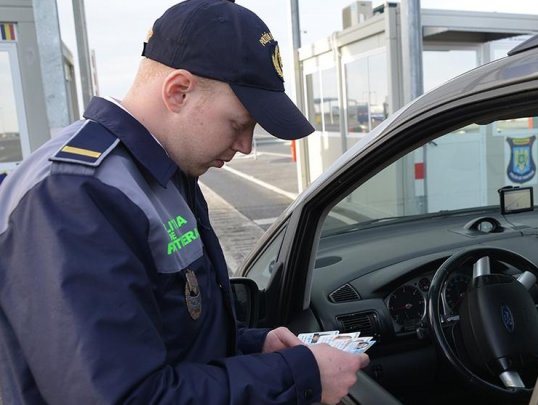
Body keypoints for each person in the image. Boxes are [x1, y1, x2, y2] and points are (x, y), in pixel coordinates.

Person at [0, 0, 368, 403]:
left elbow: (163, 336)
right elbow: (126, 396)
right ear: (178, 91)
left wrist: (250, 348)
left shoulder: (158, 172)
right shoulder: (76, 197)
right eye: (239, 124)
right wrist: (296, 375)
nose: (246, 146)